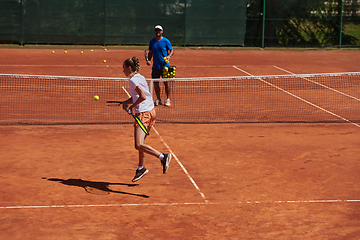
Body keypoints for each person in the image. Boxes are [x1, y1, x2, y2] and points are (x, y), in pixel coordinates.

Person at [122, 56, 172, 182]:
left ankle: (162, 157)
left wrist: (131, 107)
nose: (123, 71)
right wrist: (126, 102)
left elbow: (142, 96)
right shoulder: (140, 77)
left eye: (124, 68)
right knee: (142, 144)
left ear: (129, 68)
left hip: (143, 114)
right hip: (151, 112)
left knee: (138, 144)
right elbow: (140, 95)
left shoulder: (133, 80)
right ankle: (141, 168)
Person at [146, 25, 174, 107]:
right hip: (155, 66)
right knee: (155, 83)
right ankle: (158, 99)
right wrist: (148, 60)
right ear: (154, 31)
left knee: (166, 83)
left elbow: (171, 50)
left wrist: (169, 56)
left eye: (159, 30)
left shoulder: (166, 41)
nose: (157, 31)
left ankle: (168, 99)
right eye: (156, 30)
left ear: (162, 31)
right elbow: (150, 52)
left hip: (165, 66)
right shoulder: (152, 42)